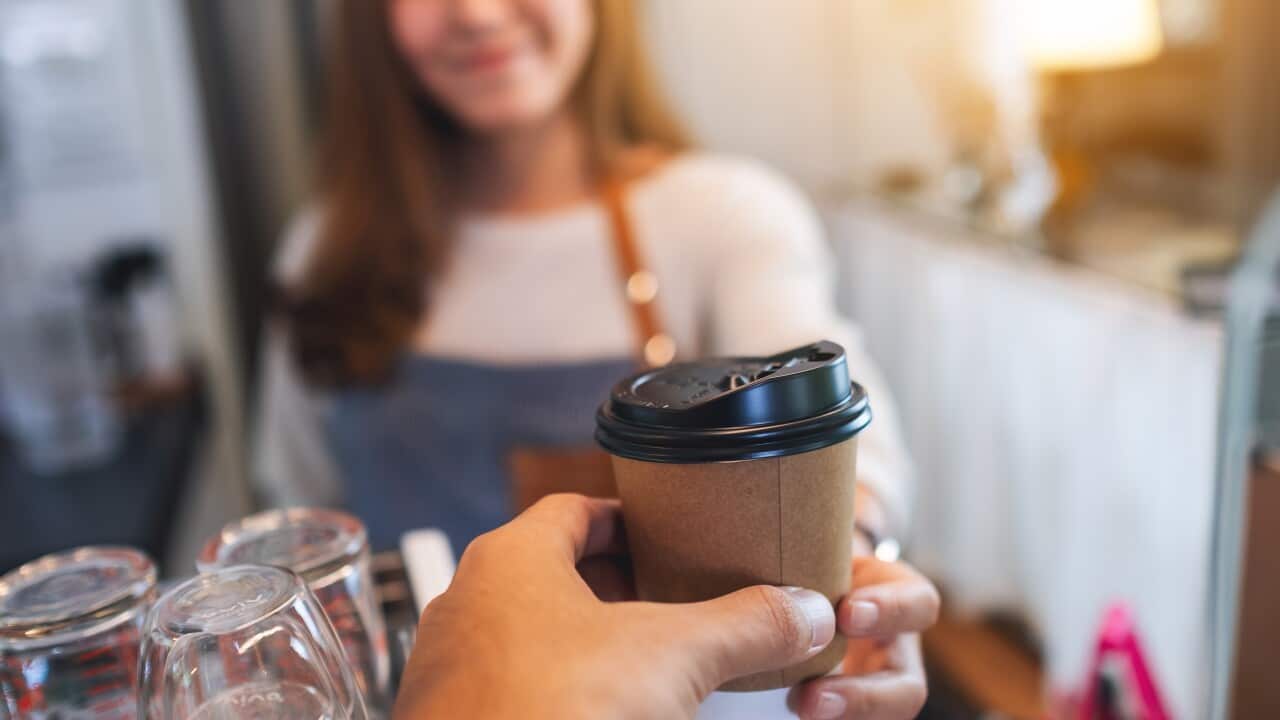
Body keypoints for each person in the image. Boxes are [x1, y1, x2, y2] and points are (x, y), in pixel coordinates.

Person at [255, 0, 933, 716]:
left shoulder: (722, 216)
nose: (478, 14)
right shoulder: (325, 253)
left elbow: (854, 442)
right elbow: (299, 507)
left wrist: (850, 573)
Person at [394, 494, 938, 719]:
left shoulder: (704, 246)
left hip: (738, 700)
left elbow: (832, 374)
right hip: (403, 626)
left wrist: (848, 536)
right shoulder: (328, 261)